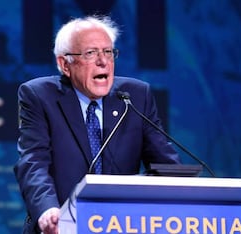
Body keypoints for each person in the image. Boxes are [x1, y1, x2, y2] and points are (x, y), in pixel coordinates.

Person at [13, 15, 180, 234]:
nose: (103, 61)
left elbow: (166, 167)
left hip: (122, 226)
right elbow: (33, 162)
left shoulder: (135, 96)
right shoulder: (39, 96)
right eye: (91, 53)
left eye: (108, 52)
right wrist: (47, 211)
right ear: (65, 64)